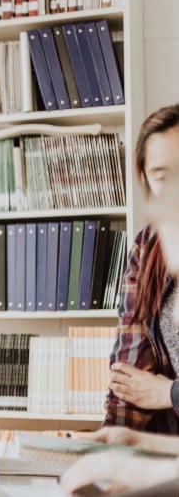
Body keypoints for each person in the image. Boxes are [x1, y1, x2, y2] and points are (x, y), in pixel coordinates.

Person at [104, 103, 179, 434]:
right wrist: (113, 441)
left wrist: (167, 392)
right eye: (162, 176)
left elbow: (154, 390)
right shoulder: (149, 246)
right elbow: (130, 372)